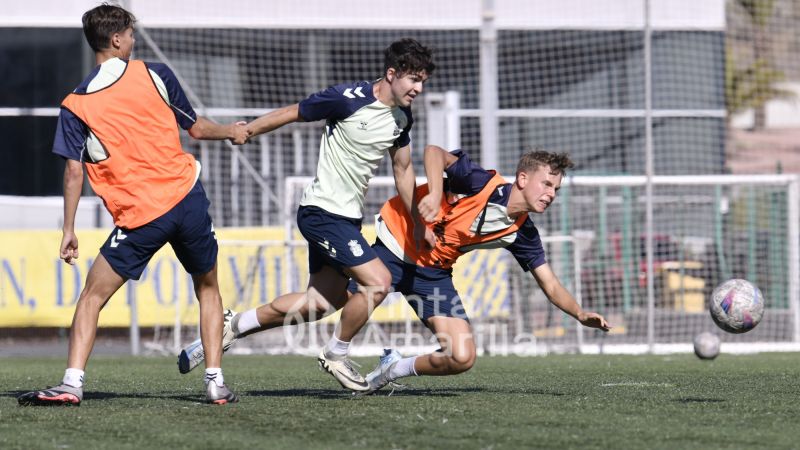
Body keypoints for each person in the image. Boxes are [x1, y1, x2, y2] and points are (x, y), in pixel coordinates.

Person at [179, 145, 611, 394]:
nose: (551, 193)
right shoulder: (482, 182)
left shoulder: (523, 232)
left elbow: (550, 283)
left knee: (462, 357)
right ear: (522, 178)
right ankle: (314, 347)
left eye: (556, 188)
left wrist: (579, 314)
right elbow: (433, 154)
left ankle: (392, 369)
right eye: (546, 184)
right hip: (395, 242)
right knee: (320, 305)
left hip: (432, 275)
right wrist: (435, 195)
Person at [17, 3, 247, 406]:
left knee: (92, 297)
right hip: (187, 199)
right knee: (208, 288)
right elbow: (194, 127)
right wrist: (231, 131)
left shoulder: (75, 104)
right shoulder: (154, 73)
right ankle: (215, 383)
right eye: (131, 34)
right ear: (117, 39)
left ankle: (72, 383)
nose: (135, 41)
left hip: (142, 215)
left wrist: (69, 229)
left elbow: (73, 174)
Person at [189, 38, 435, 391]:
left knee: (321, 303)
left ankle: (235, 325)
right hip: (322, 212)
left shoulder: (402, 118)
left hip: (347, 218)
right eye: (413, 79)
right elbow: (294, 111)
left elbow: (404, 168)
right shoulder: (346, 98)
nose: (418, 88)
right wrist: (247, 130)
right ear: (391, 73)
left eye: (423, 81)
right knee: (378, 282)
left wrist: (419, 222)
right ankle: (336, 353)